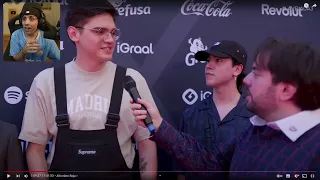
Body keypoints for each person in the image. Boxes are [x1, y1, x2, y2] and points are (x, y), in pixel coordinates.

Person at [131, 38, 320, 179]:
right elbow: (207, 165)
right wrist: (161, 126)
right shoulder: (254, 133)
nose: (247, 80)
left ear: (286, 90)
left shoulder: (314, 148)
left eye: (257, 73)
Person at [19, 1, 157, 179]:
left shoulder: (132, 80)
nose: (110, 39)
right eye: (100, 31)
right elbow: (35, 149)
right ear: (74, 33)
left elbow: (146, 143)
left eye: (113, 32)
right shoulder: (46, 81)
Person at [174, 41, 253, 180]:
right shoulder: (191, 114)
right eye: (208, 60)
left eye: (218, 60)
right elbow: (181, 170)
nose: (209, 66)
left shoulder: (255, 117)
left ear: (237, 69)